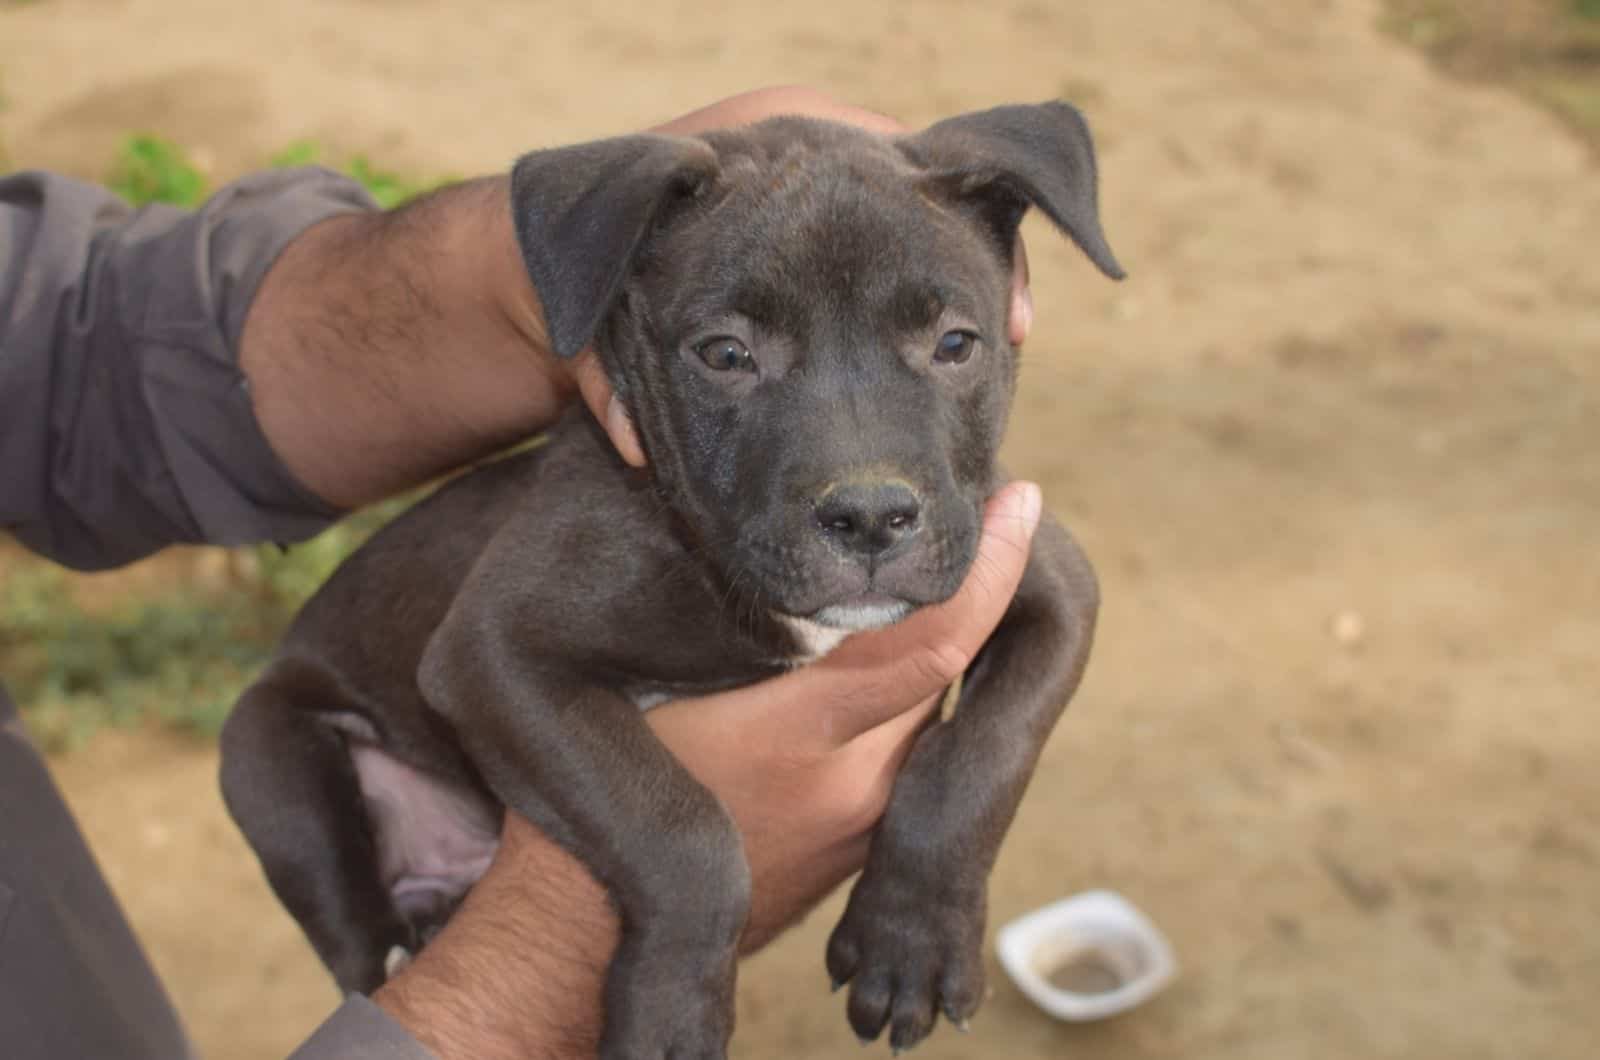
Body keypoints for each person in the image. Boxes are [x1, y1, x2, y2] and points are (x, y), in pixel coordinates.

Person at [0, 86, 1042, 1059]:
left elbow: (1052, 608)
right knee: (269, 738)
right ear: (621, 308)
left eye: (951, 345)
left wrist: (938, 846)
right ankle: (385, 955)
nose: (863, 480)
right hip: (388, 746)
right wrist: (663, 898)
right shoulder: (627, 524)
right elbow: (482, 655)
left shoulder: (947, 496)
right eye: (728, 356)